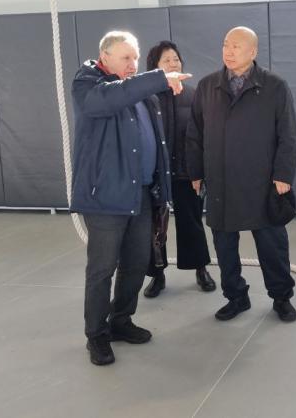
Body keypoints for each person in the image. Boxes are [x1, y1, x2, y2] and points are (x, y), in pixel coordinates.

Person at [70, 30, 190, 365]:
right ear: (104, 56)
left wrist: (160, 188)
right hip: (106, 198)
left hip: (141, 193)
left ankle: (121, 320)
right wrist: (158, 78)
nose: (133, 64)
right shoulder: (88, 84)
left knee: (136, 264)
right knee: (102, 269)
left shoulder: (137, 90)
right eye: (126, 57)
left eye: (135, 57)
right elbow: (109, 99)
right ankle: (96, 335)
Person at [186, 26, 296, 323]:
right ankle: (236, 296)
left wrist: (283, 175)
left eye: (236, 46)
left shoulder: (274, 86)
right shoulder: (208, 86)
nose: (229, 51)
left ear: (253, 51)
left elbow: (288, 134)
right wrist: (195, 172)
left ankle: (281, 297)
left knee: (272, 245)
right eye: (226, 44)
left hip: (262, 182)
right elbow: (194, 134)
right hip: (220, 181)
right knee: (224, 246)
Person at [142, 40, 216, 296]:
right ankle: (157, 275)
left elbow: (203, 136)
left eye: (176, 59)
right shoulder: (146, 97)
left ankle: (201, 269)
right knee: (155, 227)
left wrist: (199, 172)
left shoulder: (194, 95)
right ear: (155, 67)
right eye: (166, 60)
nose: (173, 63)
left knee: (192, 223)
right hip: (156, 174)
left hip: (187, 173)